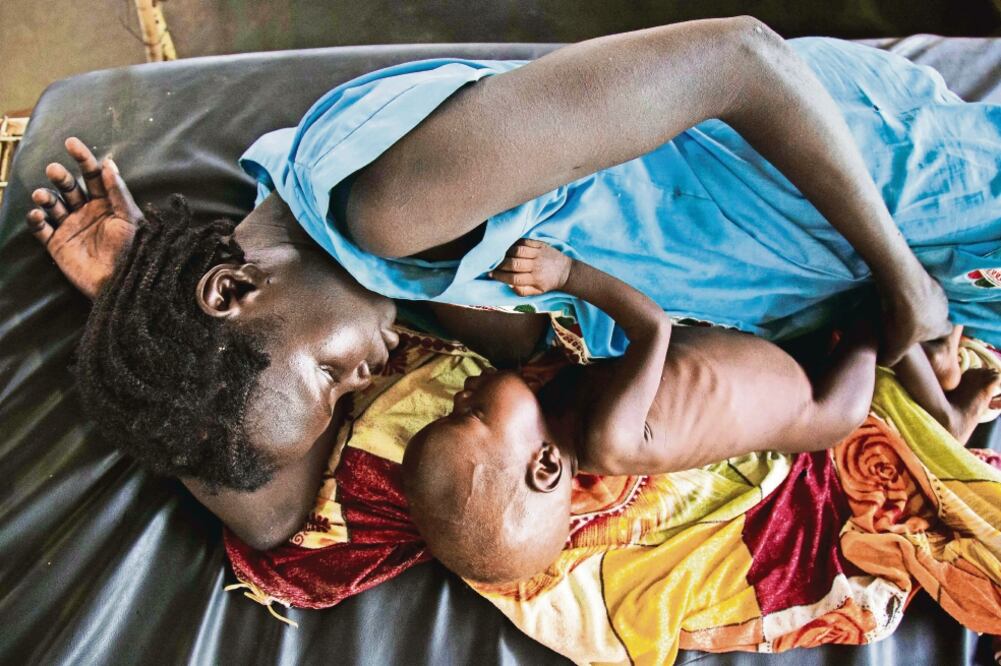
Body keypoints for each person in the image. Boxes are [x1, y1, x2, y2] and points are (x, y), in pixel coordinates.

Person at [24, 19, 1001, 551]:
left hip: (856, 182)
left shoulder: (383, 208)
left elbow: (738, 59)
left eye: (328, 378)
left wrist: (897, 276)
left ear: (233, 290)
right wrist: (116, 299)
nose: (366, 376)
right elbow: (272, 517)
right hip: (812, 270)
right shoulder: (349, 263)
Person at [402, 240, 1001, 583]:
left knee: (868, 312)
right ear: (545, 468)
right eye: (468, 417)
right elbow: (650, 329)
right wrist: (569, 274)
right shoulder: (609, 438)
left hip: (783, 359)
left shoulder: (556, 403)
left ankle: (941, 371)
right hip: (821, 407)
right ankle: (947, 408)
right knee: (879, 311)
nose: (460, 395)